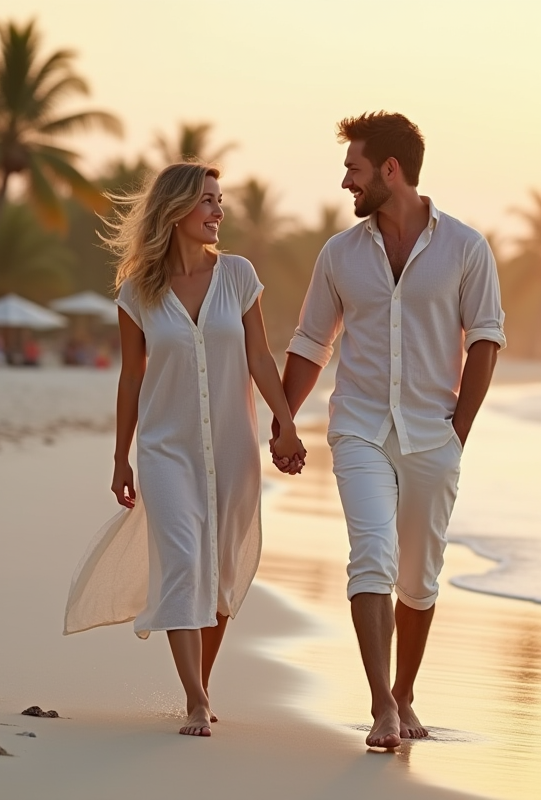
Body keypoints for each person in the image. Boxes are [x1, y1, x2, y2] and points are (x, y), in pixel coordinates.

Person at [274, 112, 506, 749]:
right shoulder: (339, 254)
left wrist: (458, 432)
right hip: (359, 428)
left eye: (354, 168)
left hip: (434, 434)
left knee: (420, 577)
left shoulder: (466, 248)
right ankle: (381, 705)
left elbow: (485, 340)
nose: (346, 181)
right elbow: (311, 342)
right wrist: (284, 421)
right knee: (371, 555)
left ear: (391, 170)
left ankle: (405, 694)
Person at [88, 161, 306, 738]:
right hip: (165, 449)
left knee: (221, 573)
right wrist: (120, 456)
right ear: (176, 209)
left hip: (233, 448)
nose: (218, 211)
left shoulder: (237, 275)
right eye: (207, 200)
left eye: (219, 199)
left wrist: (285, 423)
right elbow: (131, 377)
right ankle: (195, 700)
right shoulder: (137, 291)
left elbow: (259, 356)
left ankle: (199, 685)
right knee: (184, 564)